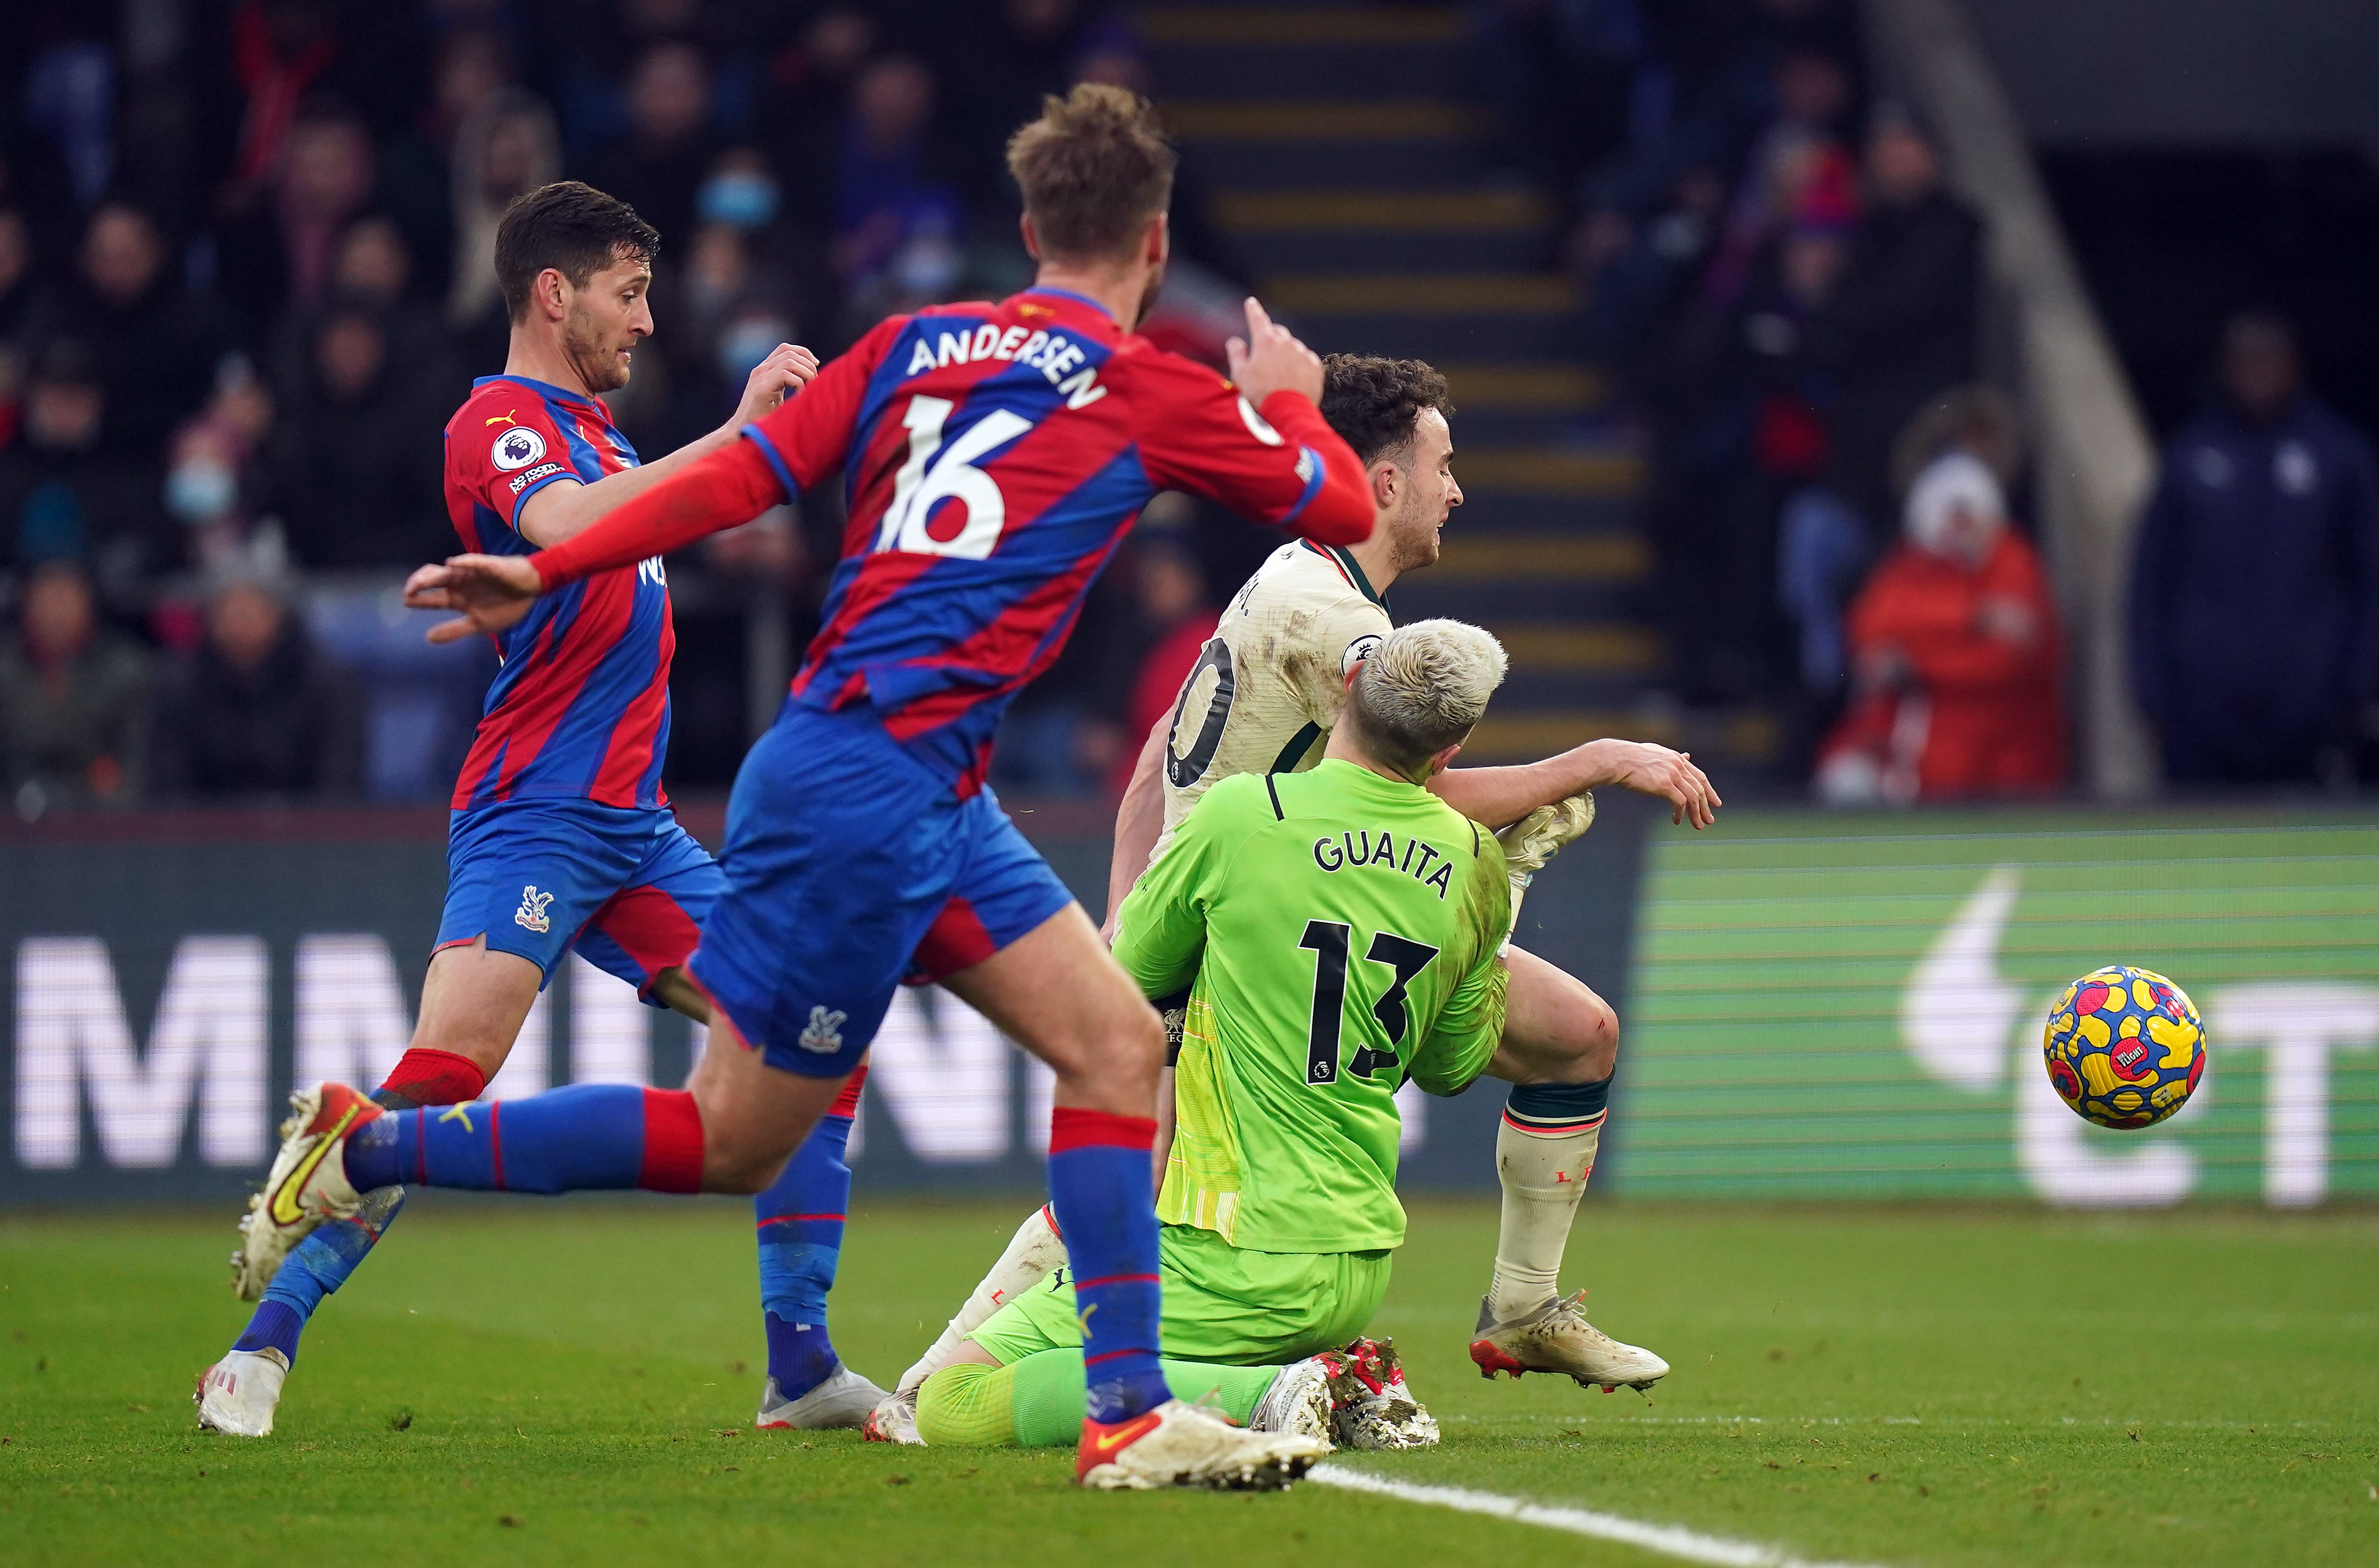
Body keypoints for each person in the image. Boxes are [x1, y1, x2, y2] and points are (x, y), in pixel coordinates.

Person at [263, 83, 1376, 1491]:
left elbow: (739, 478)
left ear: (1028, 227)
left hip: (915, 780)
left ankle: (1129, 1410)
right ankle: (377, 1149)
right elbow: (1340, 508)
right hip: (868, 782)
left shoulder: (912, 343)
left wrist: (545, 561)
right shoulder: (1153, 387)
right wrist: (1289, 406)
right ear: (1154, 245)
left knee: (1114, 1049)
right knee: (738, 1133)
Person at [866, 354, 1718, 1443]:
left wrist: (1129, 917)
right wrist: (1598, 759)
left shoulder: (1285, 583)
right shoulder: (1336, 621)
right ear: (1383, 482)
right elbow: (1418, 779)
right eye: (1441, 465)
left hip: (1313, 907)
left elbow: (1151, 771)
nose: (1457, 490)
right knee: (1139, 1187)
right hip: (1258, 929)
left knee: (1578, 1034)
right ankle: (944, 1385)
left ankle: (1519, 1305)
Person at [195, 179, 838, 1439]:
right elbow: (565, 527)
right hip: (536, 808)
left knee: (817, 1029)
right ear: (555, 293)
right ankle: (260, 1346)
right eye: (629, 293)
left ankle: (801, 1368)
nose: (647, 322)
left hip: (636, 828)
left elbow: (682, 502)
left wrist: (756, 436)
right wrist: (729, 432)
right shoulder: (500, 425)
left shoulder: (602, 439)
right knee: (444, 1078)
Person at [915, 621, 1584, 1450]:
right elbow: (1451, 1067)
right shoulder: (1469, 858)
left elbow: (1124, 979)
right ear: (1448, 754)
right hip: (1356, 1259)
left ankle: (1280, 1393)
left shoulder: (1243, 815)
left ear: (1347, 687)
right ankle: (1322, 1376)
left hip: (1229, 1251)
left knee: (951, 1398)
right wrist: (1502, 893)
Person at [2128, 312, 2379, 786]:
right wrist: (2152, 689)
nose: (2258, 373)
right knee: (2197, 843)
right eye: (2246, 361)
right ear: (2226, 368)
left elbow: (2368, 574)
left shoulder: (2339, 456)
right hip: (2202, 706)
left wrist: (2357, 684)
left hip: (2308, 704)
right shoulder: (2190, 457)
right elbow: (2150, 581)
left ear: (2295, 366)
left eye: (2270, 359)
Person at [1815, 452, 2064, 803]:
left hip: (2009, 759)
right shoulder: (1910, 568)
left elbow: (2010, 660)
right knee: (1846, 780)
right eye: (1950, 519)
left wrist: (1918, 662)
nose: (1959, 532)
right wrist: (1972, 617)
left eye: (1968, 519)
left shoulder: (2014, 562)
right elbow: (1873, 639)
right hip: (1920, 759)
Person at [148, 569, 363, 801]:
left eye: (249, 613)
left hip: (304, 829)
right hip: (207, 831)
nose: (237, 627)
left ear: (278, 616)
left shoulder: (328, 684)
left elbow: (339, 783)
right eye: (227, 615)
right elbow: (169, 785)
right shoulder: (181, 687)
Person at [0, 559, 147, 813]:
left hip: (99, 819)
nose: (55, 611)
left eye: (66, 598)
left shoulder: (124, 669)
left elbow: (134, 763)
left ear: (89, 605)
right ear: (26, 604)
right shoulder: (5, 669)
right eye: (46, 598)